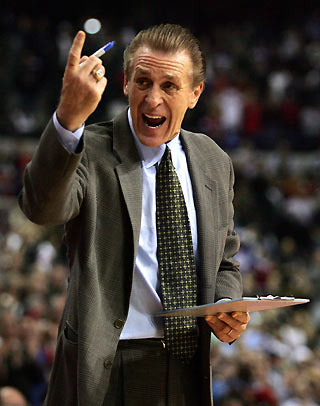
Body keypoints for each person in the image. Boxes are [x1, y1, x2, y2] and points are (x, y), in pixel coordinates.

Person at [19, 24, 250, 406]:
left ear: (195, 94)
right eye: (143, 81)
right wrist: (67, 118)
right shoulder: (89, 147)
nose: (152, 99)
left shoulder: (213, 159)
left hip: (186, 368)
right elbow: (40, 208)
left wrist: (226, 307)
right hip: (103, 369)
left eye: (169, 86)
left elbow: (224, 260)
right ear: (125, 83)